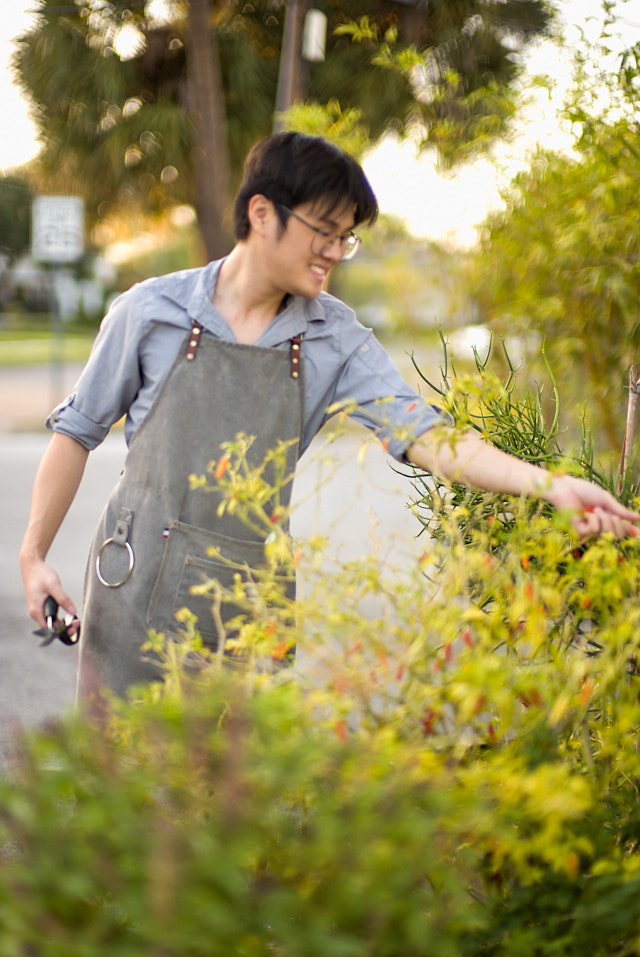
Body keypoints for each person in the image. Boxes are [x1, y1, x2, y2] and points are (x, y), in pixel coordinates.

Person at [20, 131, 639, 702]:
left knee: (230, 806)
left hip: (251, 606)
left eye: (346, 236)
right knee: (120, 797)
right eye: (324, 230)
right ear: (262, 214)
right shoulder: (149, 312)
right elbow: (76, 433)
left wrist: (549, 485)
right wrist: (33, 554)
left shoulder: (334, 337)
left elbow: (427, 435)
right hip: (133, 587)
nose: (336, 251)